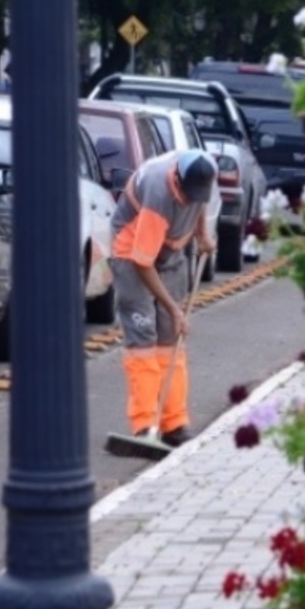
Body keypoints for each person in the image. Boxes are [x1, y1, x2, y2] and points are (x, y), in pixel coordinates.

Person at [110, 149, 218, 447]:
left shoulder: (204, 172)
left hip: (170, 252)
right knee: (143, 339)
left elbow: (199, 203)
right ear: (177, 179)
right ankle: (144, 425)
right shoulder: (158, 193)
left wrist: (202, 236)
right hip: (132, 253)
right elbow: (142, 262)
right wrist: (173, 308)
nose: (189, 198)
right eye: (186, 192)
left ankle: (173, 424)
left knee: (171, 341)